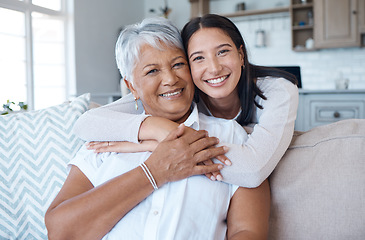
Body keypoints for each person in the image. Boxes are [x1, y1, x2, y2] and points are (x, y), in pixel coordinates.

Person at [45, 17, 270, 239]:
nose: (170, 79)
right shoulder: (105, 142)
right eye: (152, 71)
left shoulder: (230, 135)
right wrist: (155, 172)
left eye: (178, 64)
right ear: (131, 86)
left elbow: (248, 231)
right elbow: (60, 231)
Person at [73, 14, 299, 188]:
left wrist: (160, 143)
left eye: (222, 52)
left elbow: (253, 169)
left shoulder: (277, 90)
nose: (213, 68)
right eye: (198, 58)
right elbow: (87, 123)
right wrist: (157, 127)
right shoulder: (183, 94)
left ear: (241, 55)